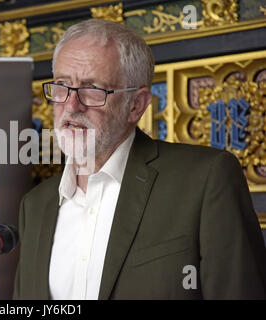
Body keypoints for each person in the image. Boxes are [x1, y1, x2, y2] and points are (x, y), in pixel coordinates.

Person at [13, 19, 266, 299]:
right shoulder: (35, 206)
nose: (71, 105)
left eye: (93, 88)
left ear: (136, 105)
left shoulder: (205, 181)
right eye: (62, 85)